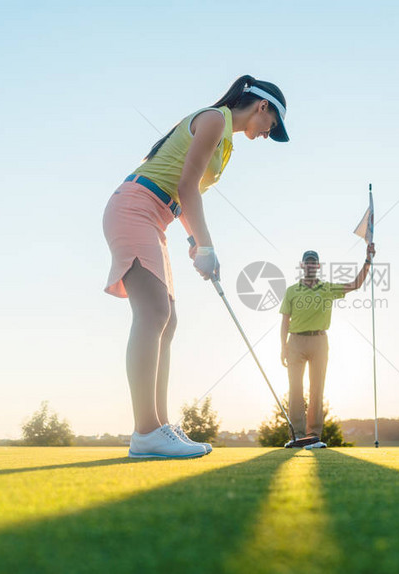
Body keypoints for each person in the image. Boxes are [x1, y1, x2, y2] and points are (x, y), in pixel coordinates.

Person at [103, 75, 289, 458]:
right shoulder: (214, 120)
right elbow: (187, 186)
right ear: (262, 106)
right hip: (135, 208)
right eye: (273, 126)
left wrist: (195, 240)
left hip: (156, 217)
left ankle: (158, 427)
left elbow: (185, 196)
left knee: (167, 321)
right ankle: (146, 432)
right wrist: (206, 244)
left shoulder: (226, 143)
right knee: (153, 313)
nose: (268, 134)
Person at [279, 244, 376, 448]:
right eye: (307, 263)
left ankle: (313, 436)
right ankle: (296, 436)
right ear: (302, 266)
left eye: (314, 263)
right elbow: (285, 322)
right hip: (295, 342)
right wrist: (283, 347)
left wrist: (367, 260)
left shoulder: (327, 288)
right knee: (295, 389)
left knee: (317, 389)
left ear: (318, 266)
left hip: (320, 341)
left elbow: (355, 284)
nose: (310, 266)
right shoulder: (291, 291)